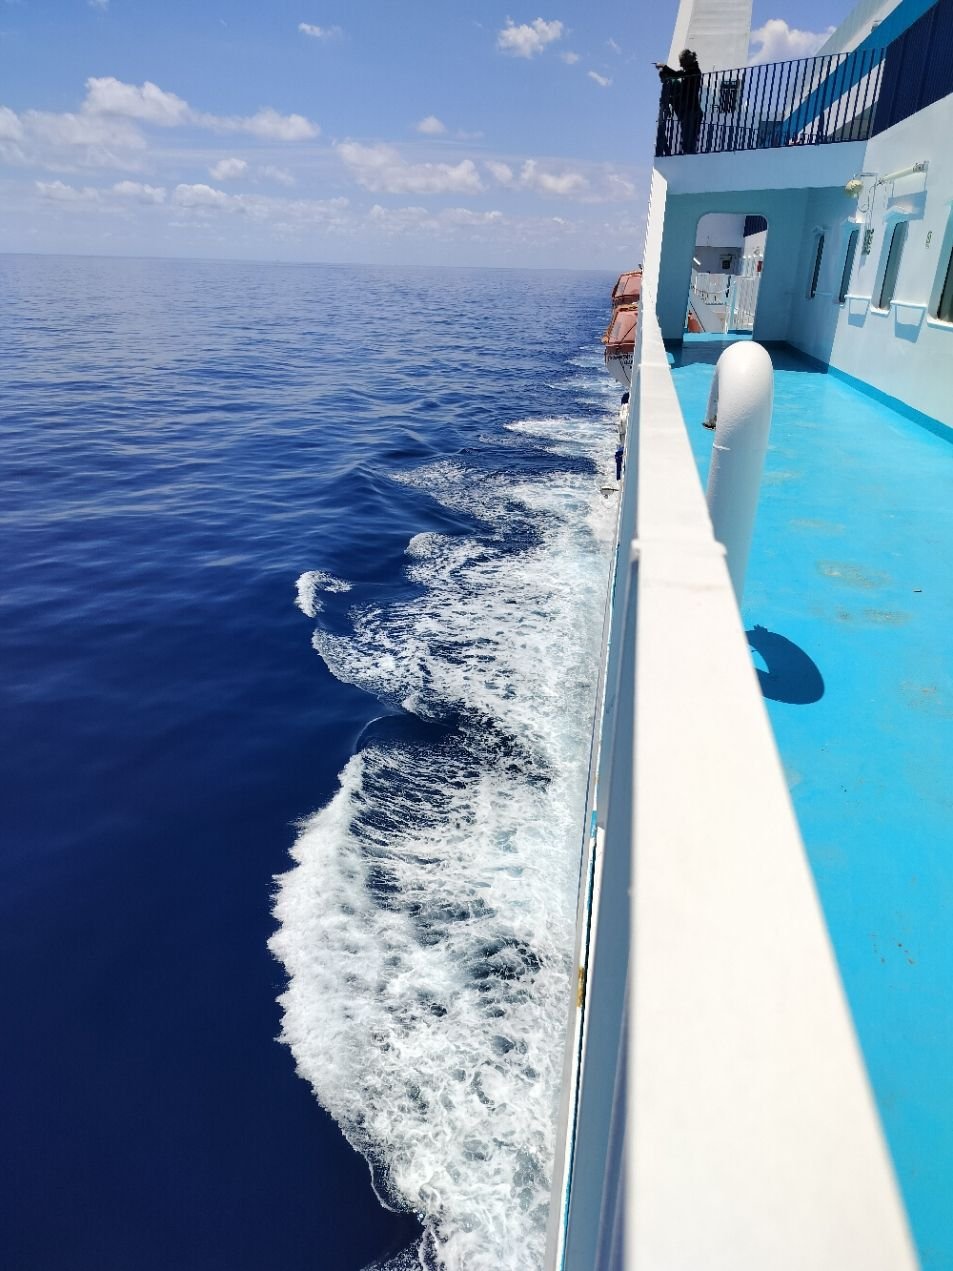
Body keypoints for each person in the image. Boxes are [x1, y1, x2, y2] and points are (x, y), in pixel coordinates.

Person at [654, 49, 703, 155]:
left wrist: (664, 66)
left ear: (686, 61)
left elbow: (676, 75)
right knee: (688, 139)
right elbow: (676, 75)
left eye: (681, 62)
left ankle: (687, 156)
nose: (680, 65)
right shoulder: (692, 71)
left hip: (691, 111)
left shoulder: (692, 71)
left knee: (688, 140)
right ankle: (686, 155)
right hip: (691, 111)